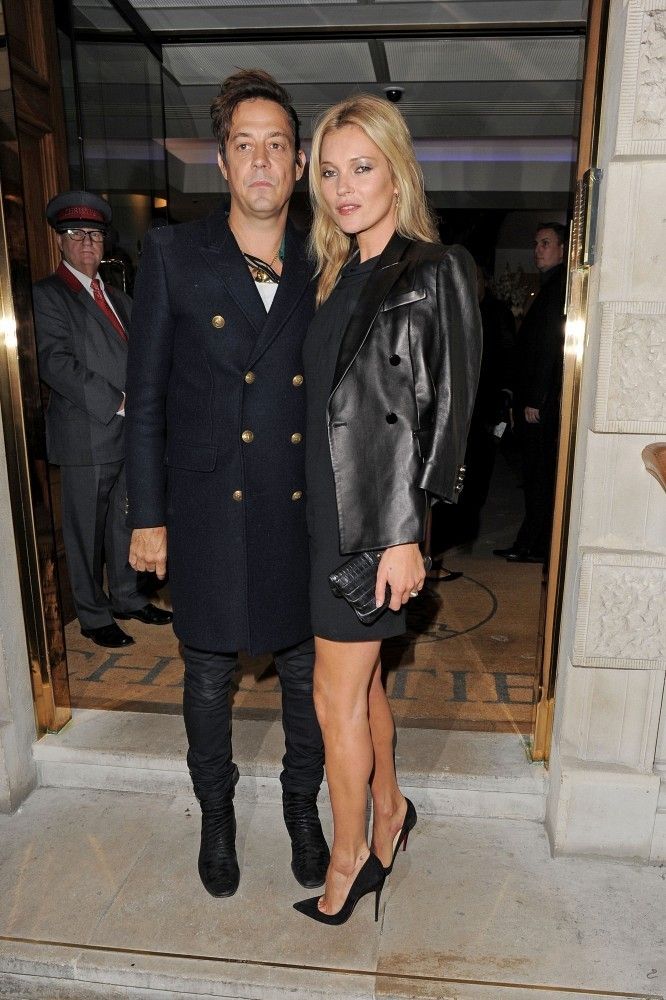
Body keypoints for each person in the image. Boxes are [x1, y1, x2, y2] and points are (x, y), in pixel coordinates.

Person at [124, 71, 328, 899]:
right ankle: (216, 814)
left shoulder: (328, 254)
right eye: (246, 144)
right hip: (209, 506)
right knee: (208, 676)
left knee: (307, 674)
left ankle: (301, 808)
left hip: (301, 506)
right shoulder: (176, 254)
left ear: (300, 163)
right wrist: (147, 516)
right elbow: (145, 401)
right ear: (222, 162)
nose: (262, 160)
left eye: (277, 145)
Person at [293, 95, 481, 925]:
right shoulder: (335, 275)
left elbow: (447, 414)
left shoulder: (434, 269)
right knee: (361, 686)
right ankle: (392, 807)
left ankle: (350, 860)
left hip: (376, 525)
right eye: (331, 172)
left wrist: (409, 535)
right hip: (322, 514)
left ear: (396, 173)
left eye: (362, 168)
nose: (344, 187)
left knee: (331, 699)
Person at [32, 191, 173, 649]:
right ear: (60, 241)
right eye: (76, 234)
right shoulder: (48, 296)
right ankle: (93, 615)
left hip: (128, 433)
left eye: (94, 234)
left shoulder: (118, 297)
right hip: (86, 434)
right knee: (85, 532)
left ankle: (127, 597)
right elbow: (55, 363)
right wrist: (119, 402)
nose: (87, 243)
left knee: (124, 520)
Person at [493, 222, 567, 564]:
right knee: (535, 475)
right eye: (536, 243)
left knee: (538, 476)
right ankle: (532, 542)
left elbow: (550, 347)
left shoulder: (557, 288)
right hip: (536, 398)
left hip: (540, 402)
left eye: (546, 243)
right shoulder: (550, 287)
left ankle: (533, 544)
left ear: (563, 249)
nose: (538, 249)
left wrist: (536, 399)